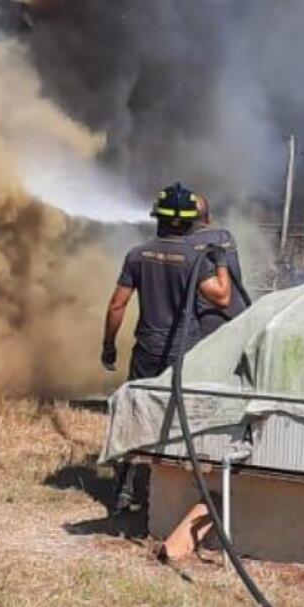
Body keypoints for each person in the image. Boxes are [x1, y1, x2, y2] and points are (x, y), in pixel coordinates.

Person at [100, 182, 240, 512]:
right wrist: (220, 260)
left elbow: (117, 305)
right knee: (180, 419)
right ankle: (172, 491)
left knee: (137, 414)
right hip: (185, 353)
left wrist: (108, 345)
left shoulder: (137, 255)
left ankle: (125, 488)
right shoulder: (195, 257)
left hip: (147, 349)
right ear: (191, 222)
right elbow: (223, 297)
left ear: (157, 218)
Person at [192, 193, 252, 312]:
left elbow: (221, 297)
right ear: (209, 218)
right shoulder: (224, 236)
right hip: (239, 313)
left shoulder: (187, 245)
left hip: (207, 317)